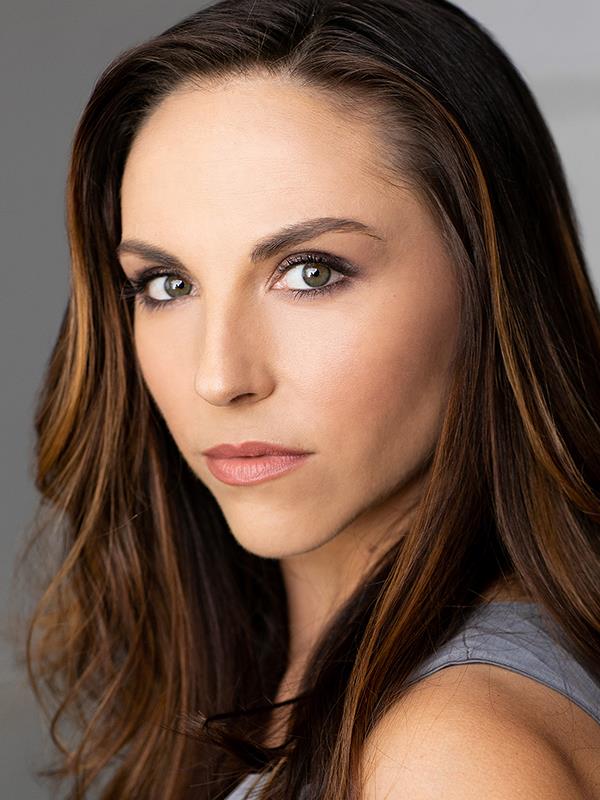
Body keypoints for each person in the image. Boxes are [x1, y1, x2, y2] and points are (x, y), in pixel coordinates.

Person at [12, 0, 600, 797]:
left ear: (490, 284)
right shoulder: (286, 683)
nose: (220, 377)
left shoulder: (449, 754)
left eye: (311, 272)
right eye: (168, 284)